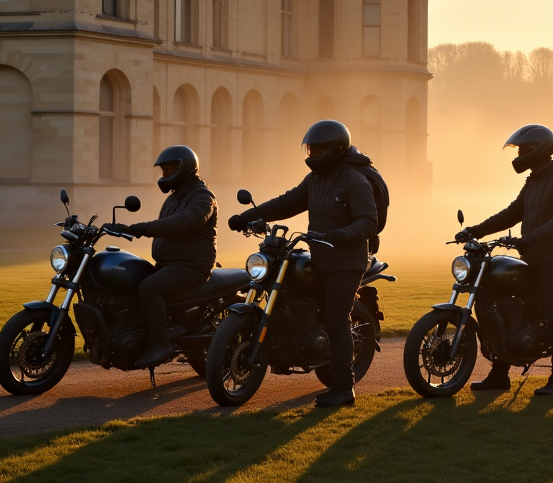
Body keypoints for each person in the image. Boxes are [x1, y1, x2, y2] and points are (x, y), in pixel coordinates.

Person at [228, 119, 380, 408]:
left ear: (335, 148)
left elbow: (368, 222)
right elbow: (288, 202)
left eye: (318, 149)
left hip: (347, 262)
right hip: (321, 258)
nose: (312, 154)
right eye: (310, 149)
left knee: (336, 320)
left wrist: (338, 235)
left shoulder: (353, 179)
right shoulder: (316, 179)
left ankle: (344, 389)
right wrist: (248, 216)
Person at [457, 124, 553, 396]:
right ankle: (500, 374)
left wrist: (532, 237)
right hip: (533, 256)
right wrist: (475, 230)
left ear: (538, 149)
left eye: (523, 148)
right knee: (506, 309)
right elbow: (513, 212)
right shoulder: (534, 180)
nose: (519, 153)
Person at [118, 145, 217, 368]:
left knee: (149, 287)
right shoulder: (174, 198)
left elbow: (187, 221)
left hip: (192, 266)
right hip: (169, 264)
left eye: (169, 170)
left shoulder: (203, 196)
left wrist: (140, 228)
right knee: (131, 281)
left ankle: (160, 345)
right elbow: (167, 226)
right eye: (163, 171)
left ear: (185, 168)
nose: (164, 175)